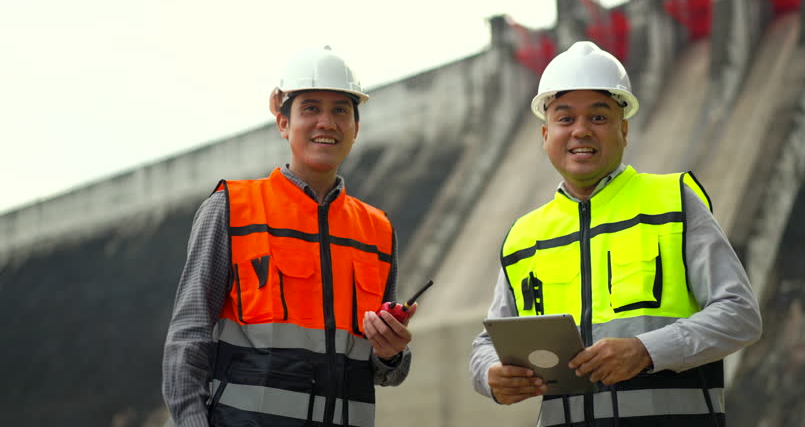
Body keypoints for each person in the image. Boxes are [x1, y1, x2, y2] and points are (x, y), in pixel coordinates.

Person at [469, 41, 762, 426]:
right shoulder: (524, 237)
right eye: (565, 118)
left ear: (623, 130)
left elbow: (740, 315)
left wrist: (646, 350)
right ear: (545, 135)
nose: (581, 131)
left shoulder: (672, 202)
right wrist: (491, 375)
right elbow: (488, 342)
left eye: (599, 117)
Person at [162, 47, 415, 427]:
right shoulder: (232, 209)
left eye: (340, 110)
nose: (326, 122)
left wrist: (392, 354)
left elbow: (384, 372)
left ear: (356, 128)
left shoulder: (377, 231)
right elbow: (189, 336)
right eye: (310, 108)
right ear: (283, 123)